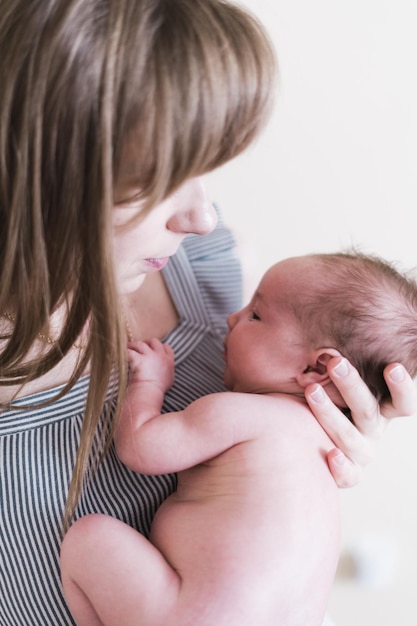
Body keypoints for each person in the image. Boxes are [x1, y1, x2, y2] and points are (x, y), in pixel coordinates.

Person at [0, 1, 415, 625]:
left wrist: (331, 453)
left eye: (208, 170)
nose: (203, 217)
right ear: (42, 171)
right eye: (161, 178)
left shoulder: (219, 269)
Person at [60, 251, 417, 626]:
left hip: (195, 616)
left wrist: (148, 382)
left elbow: (140, 447)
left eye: (256, 315)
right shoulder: (331, 445)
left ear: (316, 368)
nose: (233, 317)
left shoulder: (238, 412)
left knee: (89, 537)